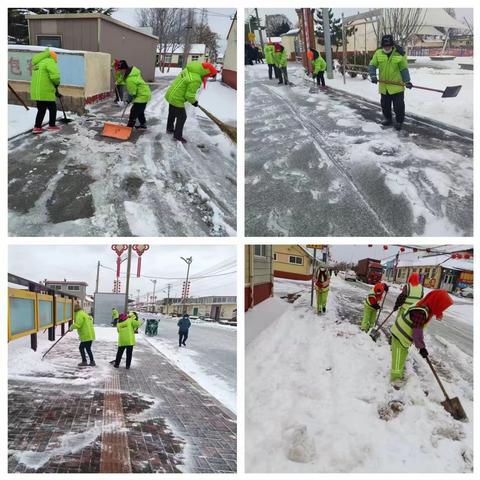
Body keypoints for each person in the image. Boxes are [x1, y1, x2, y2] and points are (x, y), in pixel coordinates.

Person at [390, 290, 453, 386]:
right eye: (441, 306)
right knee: (398, 357)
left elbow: (418, 328)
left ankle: (398, 373)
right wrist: (421, 347)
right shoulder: (421, 311)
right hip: (400, 334)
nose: (442, 309)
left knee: (402, 355)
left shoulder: (426, 303)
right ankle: (395, 378)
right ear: (436, 302)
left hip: (404, 336)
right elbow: (417, 331)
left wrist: (438, 312)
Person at [165, 61, 218, 143]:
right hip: (177, 98)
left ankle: (169, 129)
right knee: (182, 117)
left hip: (170, 94)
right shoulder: (196, 79)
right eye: (209, 76)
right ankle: (177, 136)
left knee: (172, 113)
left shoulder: (188, 70)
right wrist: (194, 102)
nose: (207, 78)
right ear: (207, 72)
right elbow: (189, 96)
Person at [368, 34, 412, 131]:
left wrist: (407, 81)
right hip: (384, 87)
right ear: (382, 45)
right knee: (385, 106)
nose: (387, 47)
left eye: (389, 45)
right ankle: (388, 119)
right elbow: (372, 65)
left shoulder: (399, 54)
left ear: (392, 45)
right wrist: (373, 75)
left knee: (398, 106)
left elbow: (403, 69)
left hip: (397, 86)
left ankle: (399, 121)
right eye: (385, 46)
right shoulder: (378, 53)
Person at [30, 48, 61, 134]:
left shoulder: (39, 63)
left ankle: (37, 127)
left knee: (41, 109)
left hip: (37, 92)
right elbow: (55, 76)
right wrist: (57, 83)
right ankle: (52, 125)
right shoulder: (49, 61)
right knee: (53, 108)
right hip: (46, 91)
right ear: (53, 57)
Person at [117, 60, 152, 130]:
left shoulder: (130, 79)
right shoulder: (131, 73)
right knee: (140, 111)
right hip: (144, 93)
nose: (120, 72)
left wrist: (126, 102)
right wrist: (118, 81)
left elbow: (132, 93)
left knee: (134, 111)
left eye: (120, 70)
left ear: (124, 69)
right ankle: (143, 124)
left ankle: (129, 128)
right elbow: (124, 80)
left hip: (142, 95)